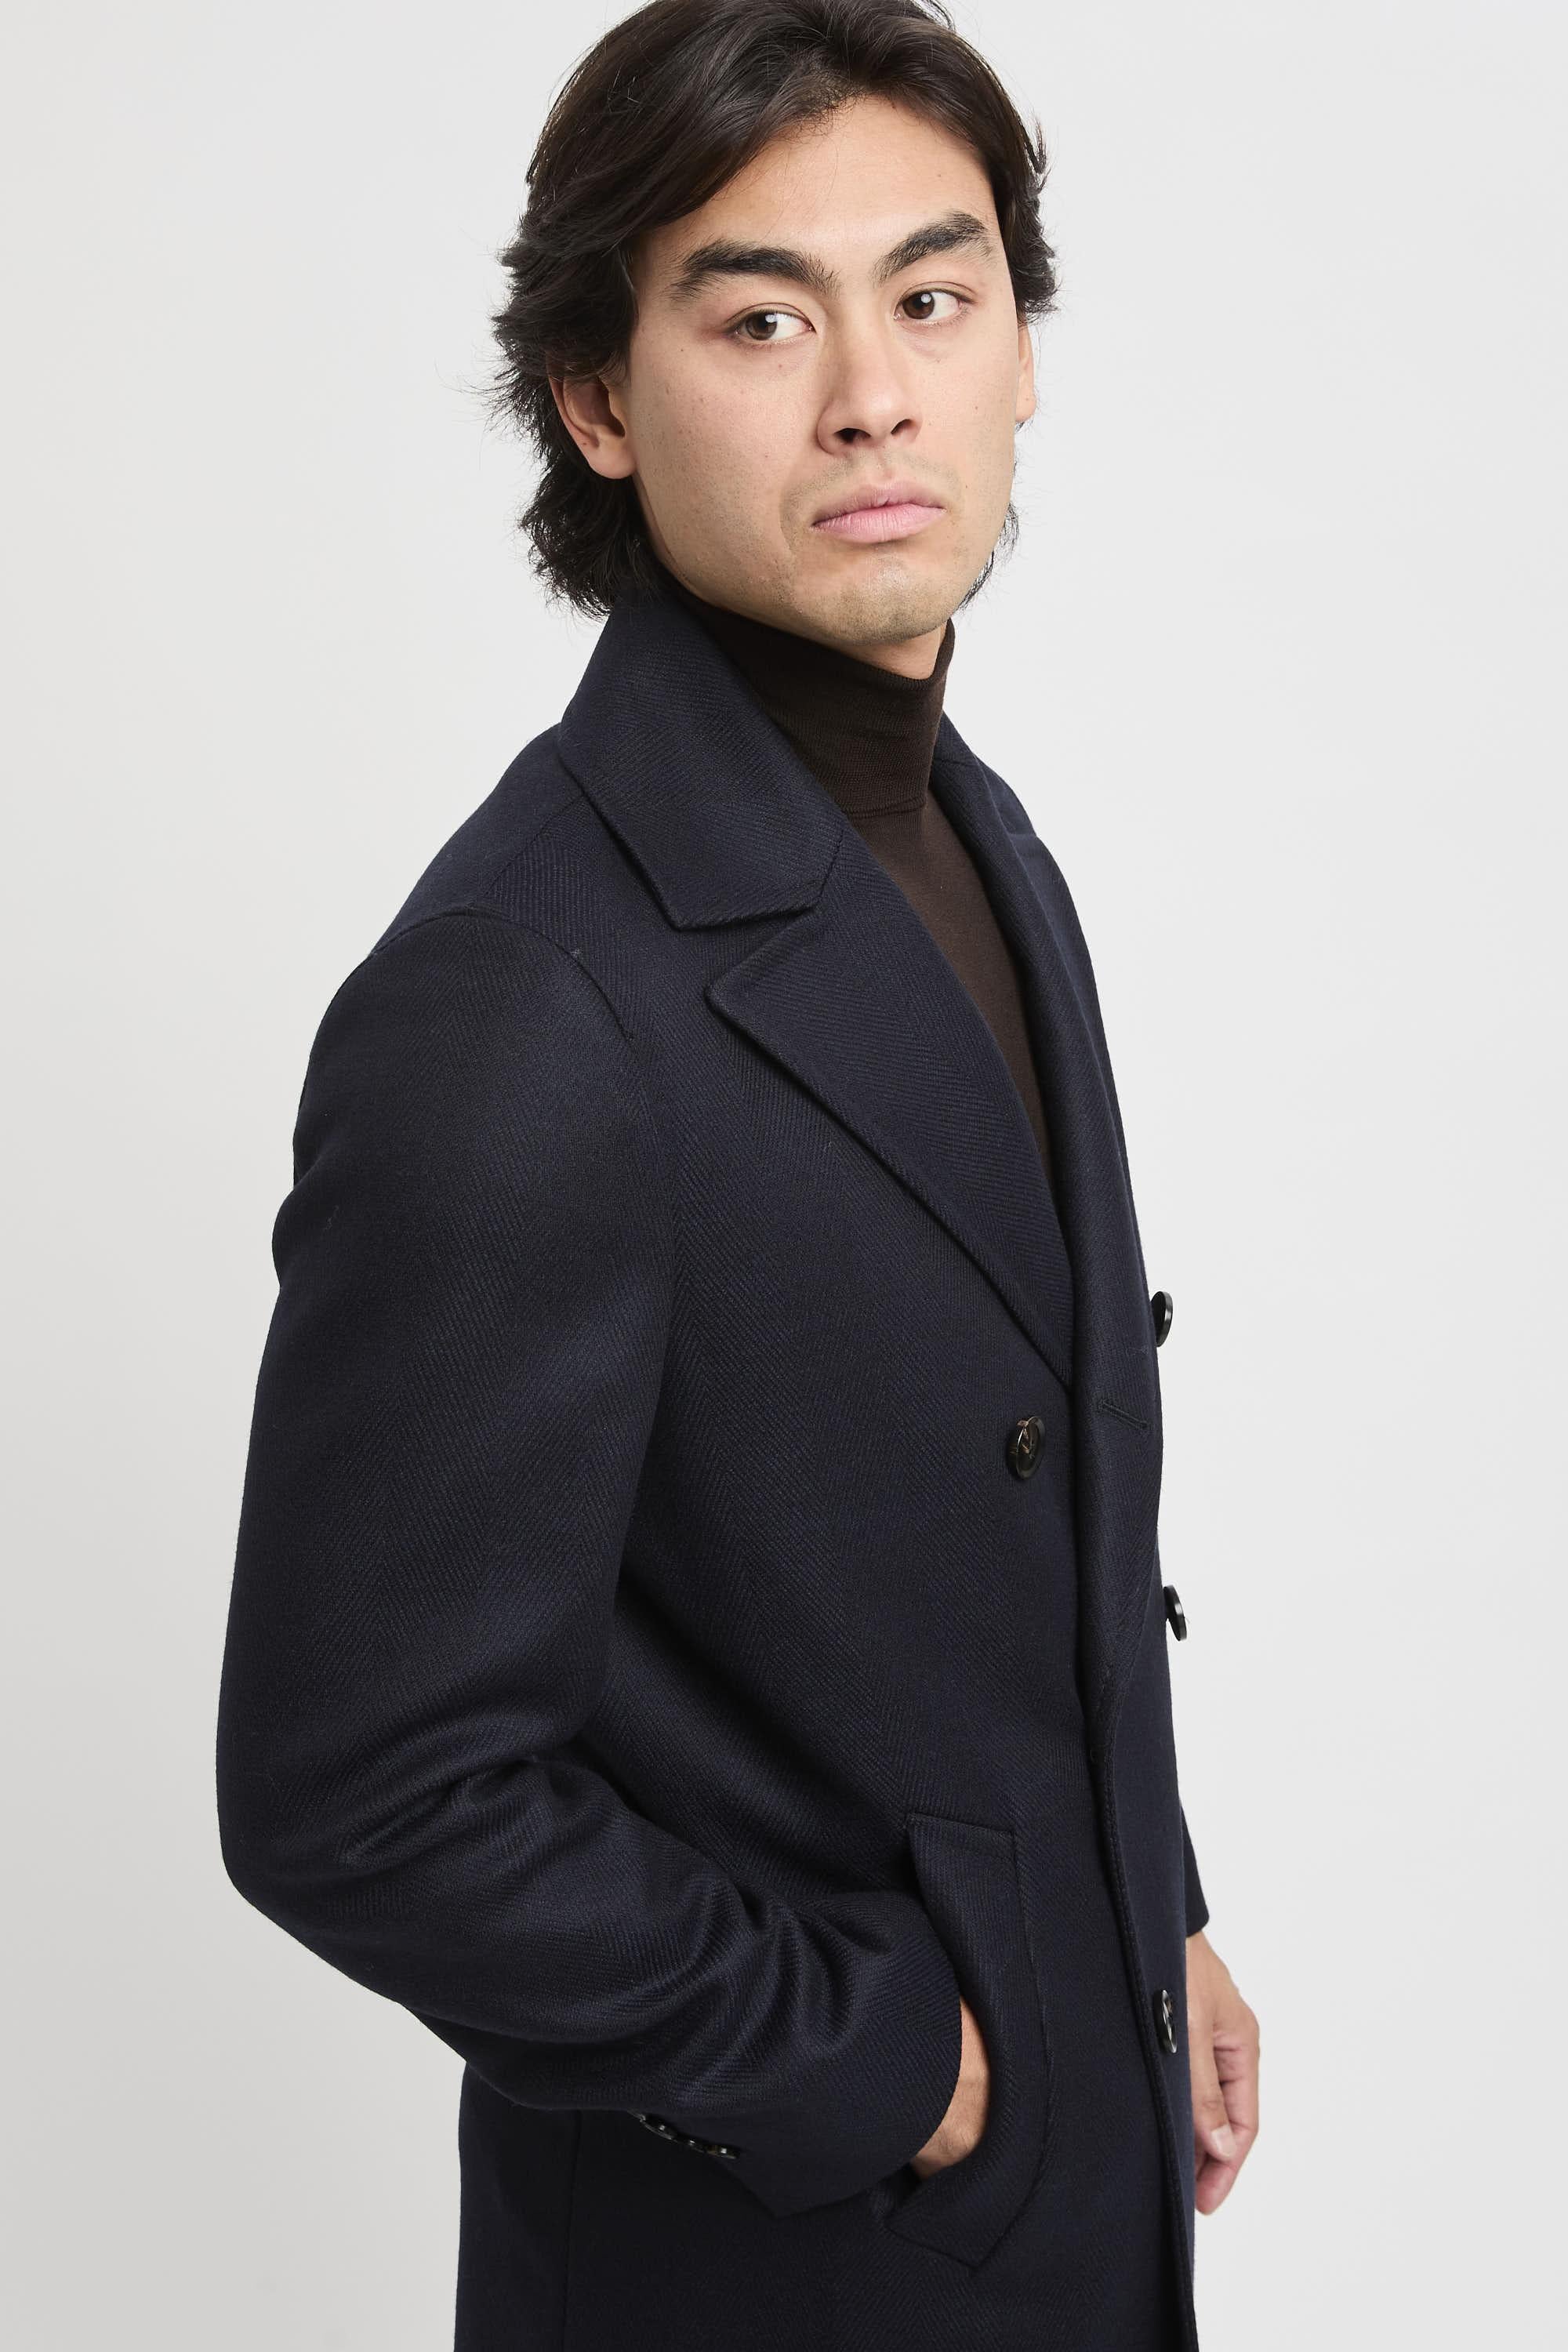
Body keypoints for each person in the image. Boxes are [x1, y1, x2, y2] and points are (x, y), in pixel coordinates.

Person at [216, 3, 1259, 2345]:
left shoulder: (977, 839)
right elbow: (359, 1793)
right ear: (598, 397)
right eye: (763, 319)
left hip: (1066, 2210)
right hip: (771, 2271)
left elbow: (981, 1523)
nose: (872, 394)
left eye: (934, 294)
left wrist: (1142, 1908)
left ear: (1020, 351)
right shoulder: (519, 996)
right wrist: (882, 2071)